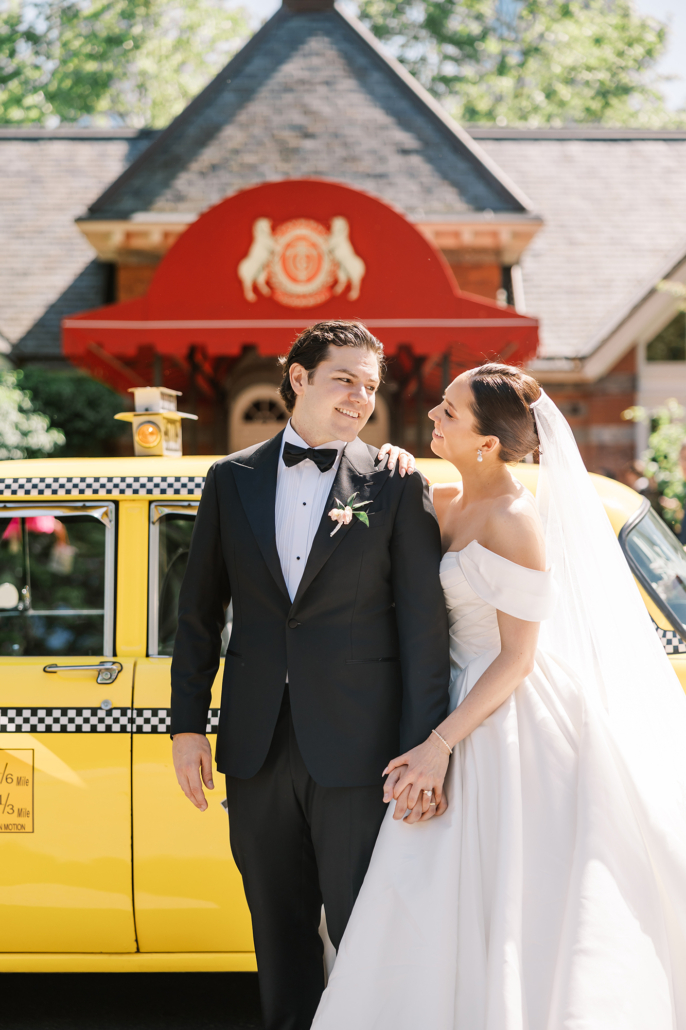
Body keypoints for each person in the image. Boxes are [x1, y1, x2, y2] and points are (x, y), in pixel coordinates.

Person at [313, 364, 686, 1030]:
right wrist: (386, 465)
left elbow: (518, 657)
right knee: (430, 893)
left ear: (487, 443)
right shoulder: (452, 499)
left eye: (449, 413)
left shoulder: (516, 520)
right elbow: (369, 516)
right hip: (454, 699)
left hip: (509, 715)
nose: (432, 417)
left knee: (513, 895)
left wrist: (437, 746)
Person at [169, 320, 451, 1030]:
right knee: (278, 930)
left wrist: (424, 752)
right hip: (255, 748)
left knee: (366, 930)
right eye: (344, 380)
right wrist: (185, 727)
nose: (361, 398)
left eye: (370, 385)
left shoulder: (392, 483)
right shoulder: (228, 481)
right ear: (298, 378)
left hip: (363, 752)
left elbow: (423, 630)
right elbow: (199, 614)